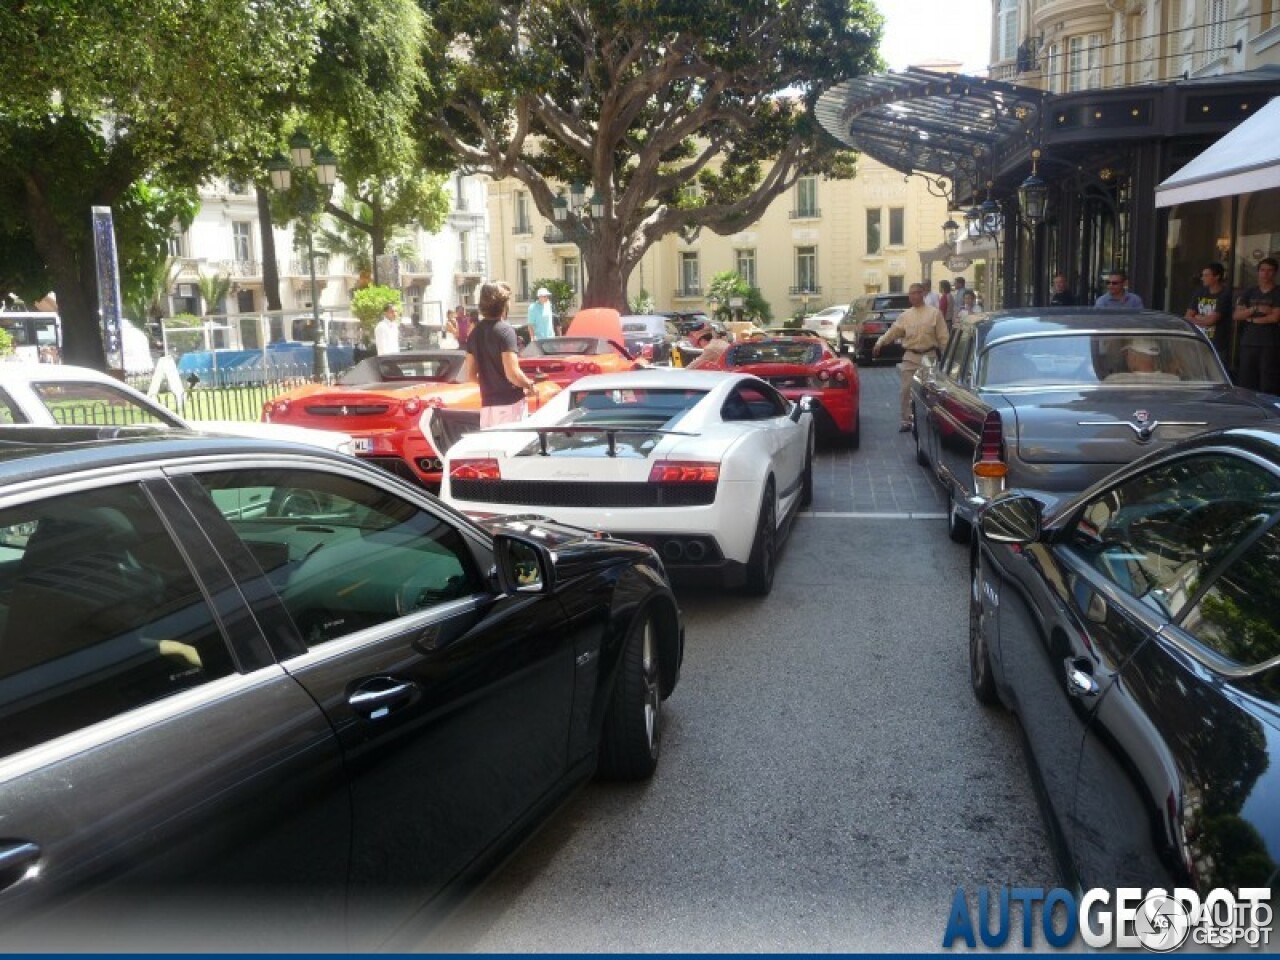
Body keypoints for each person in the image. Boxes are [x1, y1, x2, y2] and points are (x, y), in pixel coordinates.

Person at [872, 282, 949, 432]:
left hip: (929, 356)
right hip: (911, 356)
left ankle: (930, 418)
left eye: (917, 292)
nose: (914, 296)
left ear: (923, 294)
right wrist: (879, 343)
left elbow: (943, 338)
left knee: (930, 391)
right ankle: (906, 420)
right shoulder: (905, 316)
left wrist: (949, 360)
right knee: (905, 390)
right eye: (911, 293)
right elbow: (892, 332)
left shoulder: (934, 314)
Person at [464, 281, 537, 427]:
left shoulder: (474, 333)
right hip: (510, 404)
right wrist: (530, 386)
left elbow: (470, 376)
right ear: (504, 305)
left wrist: (491, 383)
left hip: (488, 406)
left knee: (492, 448)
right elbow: (513, 374)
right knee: (513, 448)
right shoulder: (505, 331)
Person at [1232, 257, 1280, 393]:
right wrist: (1256, 309)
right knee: (1246, 381)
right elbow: (1237, 315)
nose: (1265, 274)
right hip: (1248, 341)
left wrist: (1252, 319)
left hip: (1270, 344)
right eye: (1263, 270)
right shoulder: (1249, 292)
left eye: (1270, 271)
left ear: (1275, 273)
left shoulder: (1277, 292)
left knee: (1268, 382)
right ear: (1258, 272)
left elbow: (1275, 317)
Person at [1185, 262, 1234, 367]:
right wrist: (1203, 319)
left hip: (1218, 344)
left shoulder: (1225, 294)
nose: (1202, 278)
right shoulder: (1200, 292)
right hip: (1199, 341)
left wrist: (1198, 317)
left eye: (1206, 275)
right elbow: (1187, 317)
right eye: (1203, 275)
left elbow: (1211, 320)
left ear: (1217, 277)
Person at [1105, 338, 1179, 383]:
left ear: (1133, 358)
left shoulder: (1114, 380)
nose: (1126, 358)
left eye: (1127, 354)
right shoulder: (1174, 380)